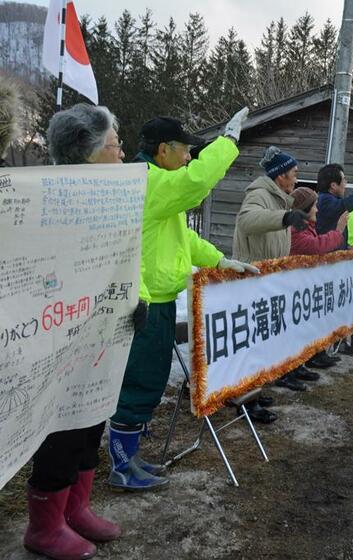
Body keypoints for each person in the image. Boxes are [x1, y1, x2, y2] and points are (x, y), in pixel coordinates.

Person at [108, 109, 258, 492]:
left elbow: (184, 240)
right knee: (138, 383)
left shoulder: (159, 187)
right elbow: (197, 182)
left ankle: (132, 457)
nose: (189, 156)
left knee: (149, 381)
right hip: (142, 303)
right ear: (163, 150)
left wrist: (220, 260)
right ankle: (122, 466)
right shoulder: (150, 182)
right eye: (184, 150)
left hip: (157, 301)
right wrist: (227, 142)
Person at [21, 103, 126, 560]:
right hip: (54, 337)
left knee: (91, 418)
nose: (122, 155)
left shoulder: (111, 200)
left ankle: (76, 508)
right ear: (87, 152)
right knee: (61, 430)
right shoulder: (49, 200)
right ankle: (43, 526)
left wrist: (129, 303)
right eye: (115, 146)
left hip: (99, 333)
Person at [232, 146, 315, 393]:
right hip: (252, 279)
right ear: (281, 176)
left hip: (269, 279)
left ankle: (255, 390)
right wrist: (285, 218)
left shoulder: (279, 197)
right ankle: (247, 396)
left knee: (264, 338)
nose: (297, 178)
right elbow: (247, 220)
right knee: (251, 342)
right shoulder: (258, 194)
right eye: (294, 173)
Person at [289, 187, 348, 254]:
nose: (317, 210)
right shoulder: (295, 231)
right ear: (306, 209)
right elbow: (317, 246)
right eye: (314, 206)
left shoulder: (306, 227)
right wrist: (339, 230)